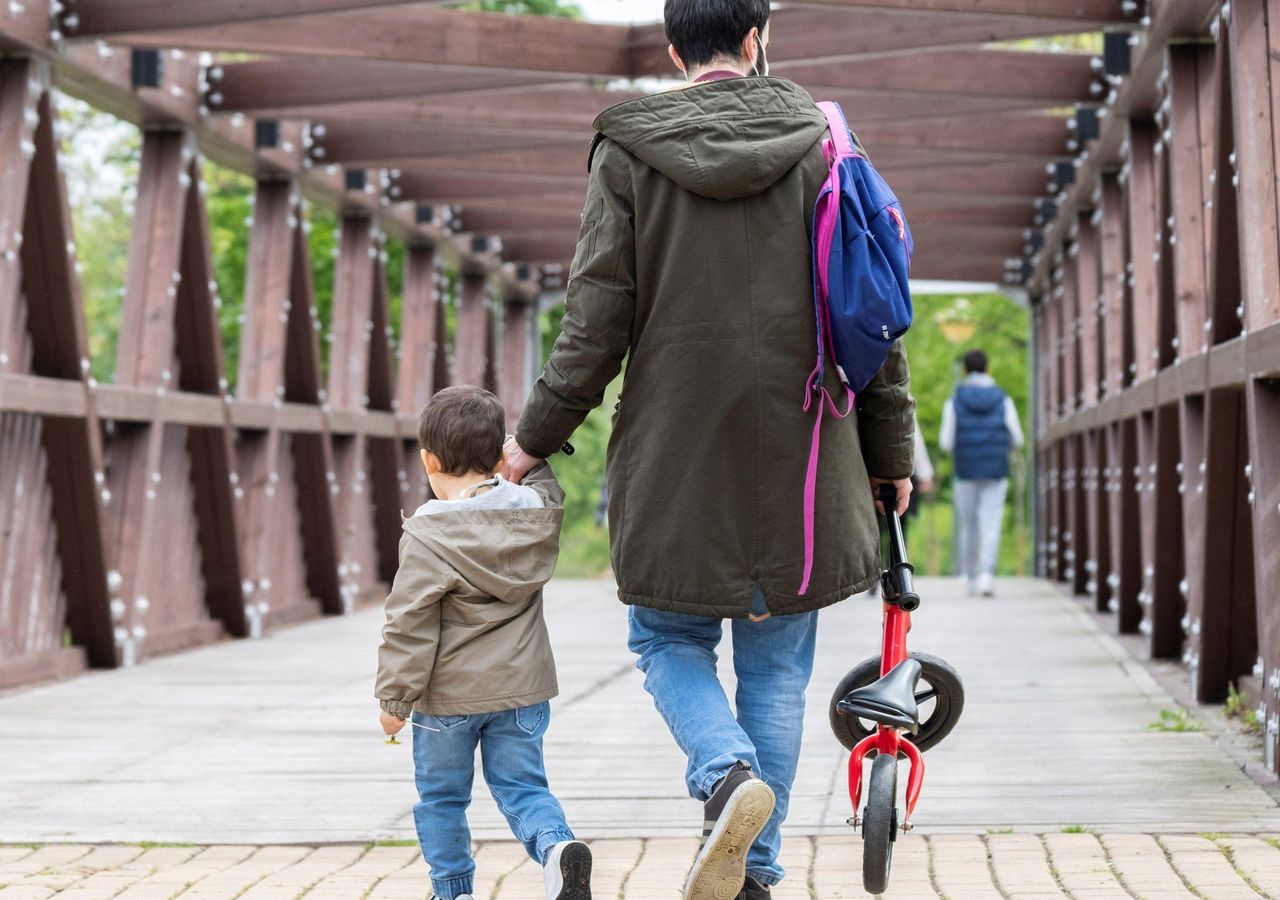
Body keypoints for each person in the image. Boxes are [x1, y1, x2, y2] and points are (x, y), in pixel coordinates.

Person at [501, 2, 916, 898]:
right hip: (807, 452)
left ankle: (724, 772)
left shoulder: (628, 151)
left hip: (673, 456)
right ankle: (755, 874)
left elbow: (594, 325)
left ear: (672, 49)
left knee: (665, 637)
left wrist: (531, 442)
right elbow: (874, 312)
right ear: (756, 39)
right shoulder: (827, 144)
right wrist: (891, 454)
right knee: (777, 669)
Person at [377, 385, 593, 900]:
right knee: (524, 788)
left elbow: (408, 623)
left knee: (442, 799)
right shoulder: (534, 514)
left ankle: (453, 892)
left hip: (448, 701)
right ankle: (556, 848)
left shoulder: (428, 535)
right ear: (499, 458)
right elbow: (544, 483)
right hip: (522, 694)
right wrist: (527, 450)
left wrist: (394, 700)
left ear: (428, 461)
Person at [939, 348, 1024, 598]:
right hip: (995, 470)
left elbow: (946, 442)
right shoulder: (1003, 399)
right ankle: (987, 575)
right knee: (991, 521)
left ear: (965, 370)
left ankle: (970, 576)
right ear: (988, 368)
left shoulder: (954, 401)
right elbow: (1017, 438)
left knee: (969, 524)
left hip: (965, 470)